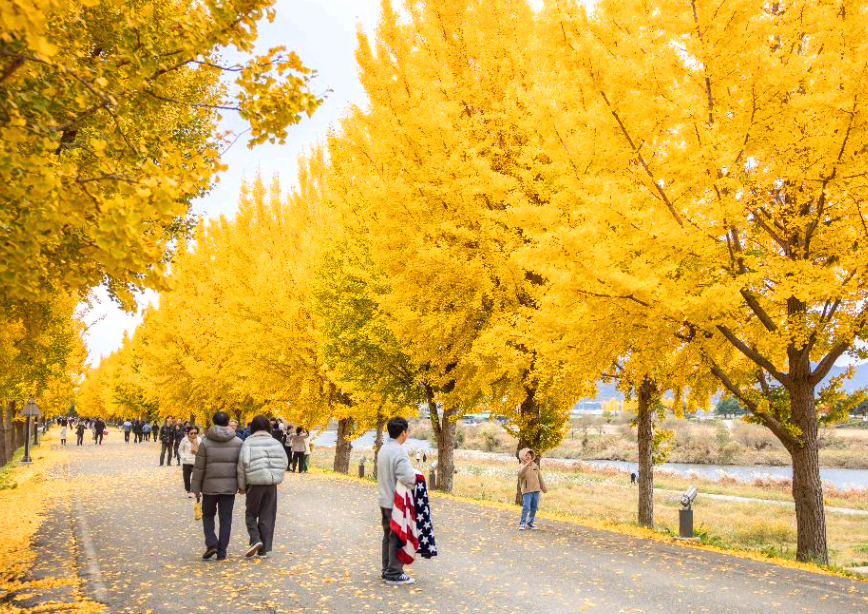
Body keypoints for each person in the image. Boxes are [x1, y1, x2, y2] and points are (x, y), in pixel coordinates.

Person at [191, 411, 242, 561]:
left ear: (214, 422)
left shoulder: (206, 442)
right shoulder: (238, 442)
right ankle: (222, 552)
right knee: (226, 519)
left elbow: (199, 467)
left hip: (209, 487)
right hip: (229, 487)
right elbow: (241, 467)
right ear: (228, 423)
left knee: (208, 515)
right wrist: (242, 486)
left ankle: (211, 542)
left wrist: (196, 488)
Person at [237, 415, 288, 558]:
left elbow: (242, 466)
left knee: (251, 513)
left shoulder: (248, 443)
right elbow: (284, 462)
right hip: (271, 484)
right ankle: (263, 550)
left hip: (254, 483)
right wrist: (277, 476)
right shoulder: (275, 443)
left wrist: (241, 487)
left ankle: (255, 539)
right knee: (267, 515)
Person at [376, 416, 417, 586]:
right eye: (407, 431)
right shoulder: (399, 452)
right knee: (398, 537)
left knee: (388, 536)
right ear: (404, 432)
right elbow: (407, 477)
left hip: (384, 499)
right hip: (396, 501)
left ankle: (387, 570)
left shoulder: (384, 449)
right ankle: (394, 573)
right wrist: (415, 478)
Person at [517, 448, 547, 531]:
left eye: (529, 455)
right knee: (526, 507)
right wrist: (527, 464)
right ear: (522, 456)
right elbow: (519, 474)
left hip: (536, 490)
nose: (528, 456)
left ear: (532, 456)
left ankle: (530, 524)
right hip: (527, 490)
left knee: (534, 507)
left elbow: (540, 477)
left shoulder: (535, 465)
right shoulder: (521, 466)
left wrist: (543, 488)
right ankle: (522, 523)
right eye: (526, 455)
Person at [179, 426, 202, 497]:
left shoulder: (199, 439)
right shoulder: (184, 440)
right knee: (186, 477)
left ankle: (196, 491)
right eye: (191, 433)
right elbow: (180, 450)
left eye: (195, 433)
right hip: (187, 461)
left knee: (196, 477)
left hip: (196, 461)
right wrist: (183, 457)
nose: (193, 435)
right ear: (188, 433)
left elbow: (202, 450)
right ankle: (189, 491)